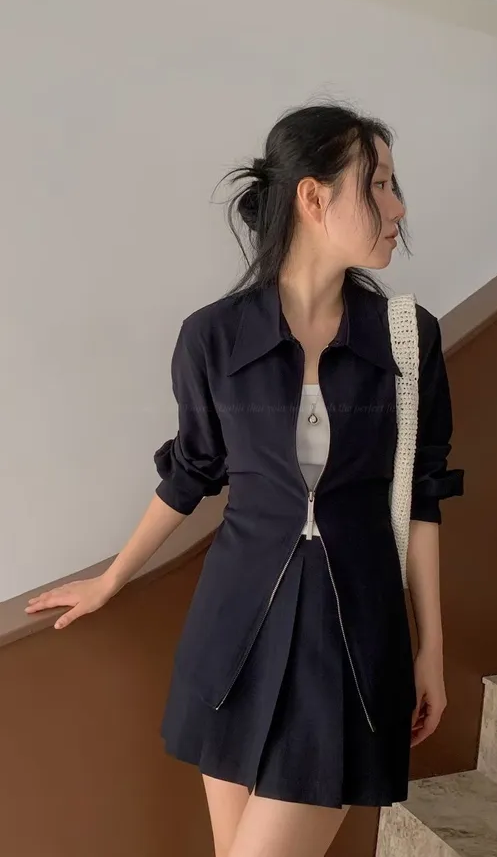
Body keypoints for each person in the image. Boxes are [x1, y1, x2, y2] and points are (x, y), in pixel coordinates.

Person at [26, 103, 464, 857]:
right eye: (381, 184)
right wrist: (112, 578)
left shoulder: (407, 337)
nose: (398, 208)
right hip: (234, 639)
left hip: (352, 645)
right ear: (314, 198)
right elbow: (193, 468)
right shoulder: (213, 337)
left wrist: (431, 649)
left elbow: (423, 496)